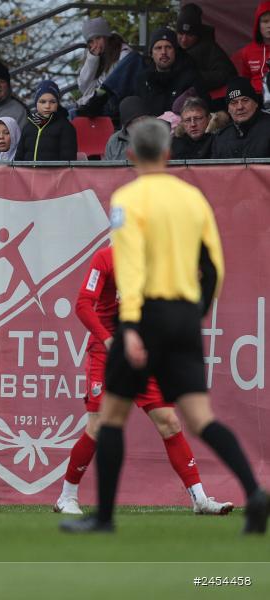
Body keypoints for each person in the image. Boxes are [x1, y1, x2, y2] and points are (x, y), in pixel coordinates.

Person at [61, 118, 269, 534]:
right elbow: (213, 262)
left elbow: (131, 263)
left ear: (131, 155)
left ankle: (103, 519)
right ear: (170, 155)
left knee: (113, 417)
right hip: (184, 316)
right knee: (199, 417)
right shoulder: (193, 198)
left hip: (144, 316)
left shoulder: (127, 197)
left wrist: (132, 325)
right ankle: (255, 492)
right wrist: (198, 312)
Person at [53, 246, 233, 516]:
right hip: (107, 353)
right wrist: (109, 339)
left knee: (169, 423)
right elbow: (82, 304)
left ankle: (200, 499)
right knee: (99, 425)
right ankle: (66, 497)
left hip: (140, 354)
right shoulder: (106, 258)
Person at [133, 27, 207, 116]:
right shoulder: (142, 79)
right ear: (151, 53)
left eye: (168, 47)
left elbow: (203, 111)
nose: (163, 52)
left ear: (175, 51)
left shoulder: (191, 78)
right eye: (158, 48)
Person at [76, 17, 133, 116]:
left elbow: (114, 87)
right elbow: (83, 87)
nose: (95, 44)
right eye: (91, 41)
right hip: (93, 103)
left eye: (98, 38)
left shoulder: (123, 54)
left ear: (107, 37)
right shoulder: (96, 57)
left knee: (70, 115)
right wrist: (92, 59)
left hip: (109, 106)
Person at [175, 4, 237, 94]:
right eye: (180, 33)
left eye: (190, 35)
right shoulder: (171, 48)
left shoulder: (210, 49)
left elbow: (227, 73)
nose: (184, 39)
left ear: (197, 34)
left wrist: (193, 77)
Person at [16, 80, 78, 161]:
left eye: (52, 102)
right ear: (36, 104)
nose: (47, 106)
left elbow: (68, 160)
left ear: (58, 104)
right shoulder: (28, 126)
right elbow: (19, 158)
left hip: (55, 174)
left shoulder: (66, 127)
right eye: (42, 102)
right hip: (27, 174)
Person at [211, 77, 270, 158]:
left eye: (245, 100)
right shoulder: (220, 138)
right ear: (228, 109)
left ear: (256, 103)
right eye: (234, 102)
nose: (240, 107)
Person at [231, 1, 270, 106]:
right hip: (254, 98)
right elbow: (245, 79)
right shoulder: (248, 51)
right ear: (258, 24)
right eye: (265, 21)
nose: (269, 25)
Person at [103, 96, 149, 160]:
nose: (142, 124)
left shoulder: (159, 137)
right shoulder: (114, 141)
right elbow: (107, 168)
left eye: (144, 119)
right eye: (136, 121)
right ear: (126, 126)